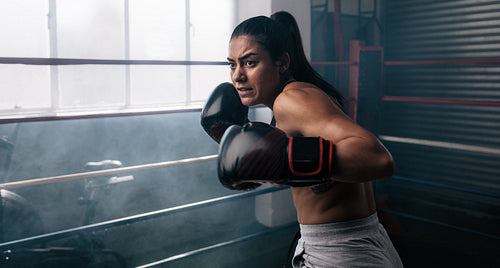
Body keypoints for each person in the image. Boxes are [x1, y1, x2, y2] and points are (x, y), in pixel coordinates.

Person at [201, 11, 403, 268]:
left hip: (340, 253)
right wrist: (259, 154)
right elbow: (299, 172)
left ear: (282, 63)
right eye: (232, 64)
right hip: (357, 241)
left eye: (250, 63)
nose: (238, 75)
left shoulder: (293, 100)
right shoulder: (291, 99)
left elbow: (378, 159)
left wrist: (284, 157)